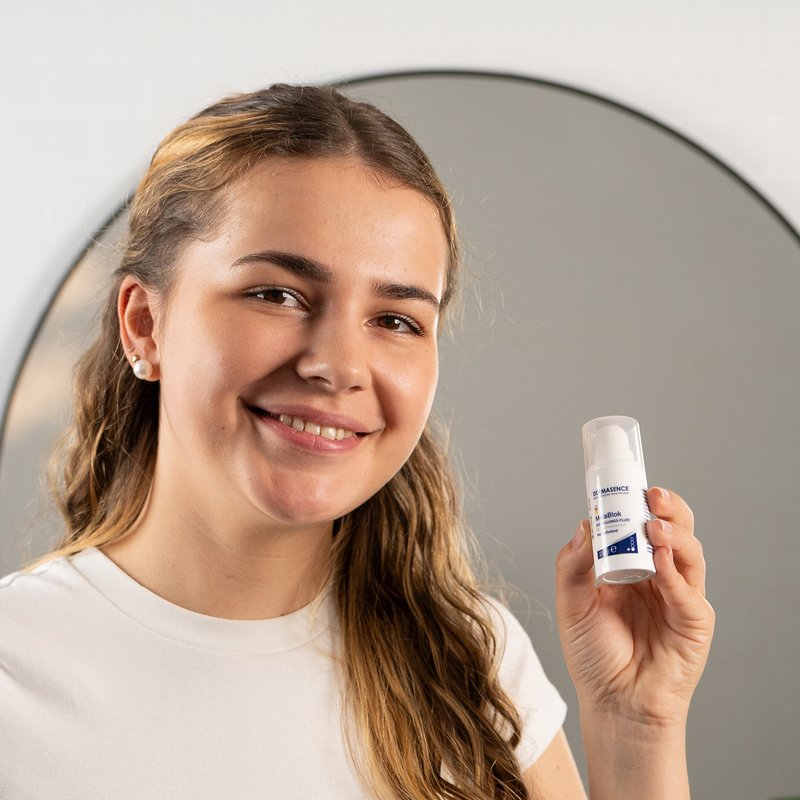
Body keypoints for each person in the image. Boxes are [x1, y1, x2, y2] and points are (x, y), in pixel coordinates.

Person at [0, 84, 714, 800]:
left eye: (396, 320)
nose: (338, 366)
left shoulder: (474, 663)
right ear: (145, 325)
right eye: (276, 294)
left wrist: (636, 725)